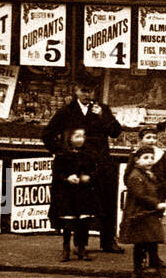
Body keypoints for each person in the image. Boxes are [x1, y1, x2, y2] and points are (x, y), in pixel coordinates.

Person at [42, 75, 123, 253]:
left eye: (91, 91)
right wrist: (63, 152)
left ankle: (108, 241)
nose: (87, 95)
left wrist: (103, 116)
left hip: (99, 163)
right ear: (76, 90)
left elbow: (116, 132)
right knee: (78, 204)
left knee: (106, 202)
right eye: (83, 91)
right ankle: (78, 245)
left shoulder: (102, 109)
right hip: (76, 164)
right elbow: (47, 135)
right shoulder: (66, 111)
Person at [121, 143, 166, 278]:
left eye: (151, 157)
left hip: (148, 214)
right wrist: (156, 204)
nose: (149, 160)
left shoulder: (148, 174)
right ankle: (149, 271)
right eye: (145, 157)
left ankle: (141, 271)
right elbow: (140, 196)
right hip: (140, 214)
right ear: (137, 160)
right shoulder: (136, 176)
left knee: (150, 242)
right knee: (145, 243)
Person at [49, 125, 100, 262]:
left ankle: (82, 248)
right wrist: (67, 178)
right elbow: (57, 174)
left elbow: (95, 170)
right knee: (68, 222)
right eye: (77, 136)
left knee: (83, 221)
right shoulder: (62, 155)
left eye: (83, 136)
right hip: (67, 193)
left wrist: (88, 177)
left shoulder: (88, 154)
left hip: (83, 192)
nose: (81, 139)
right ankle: (66, 248)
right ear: (69, 137)